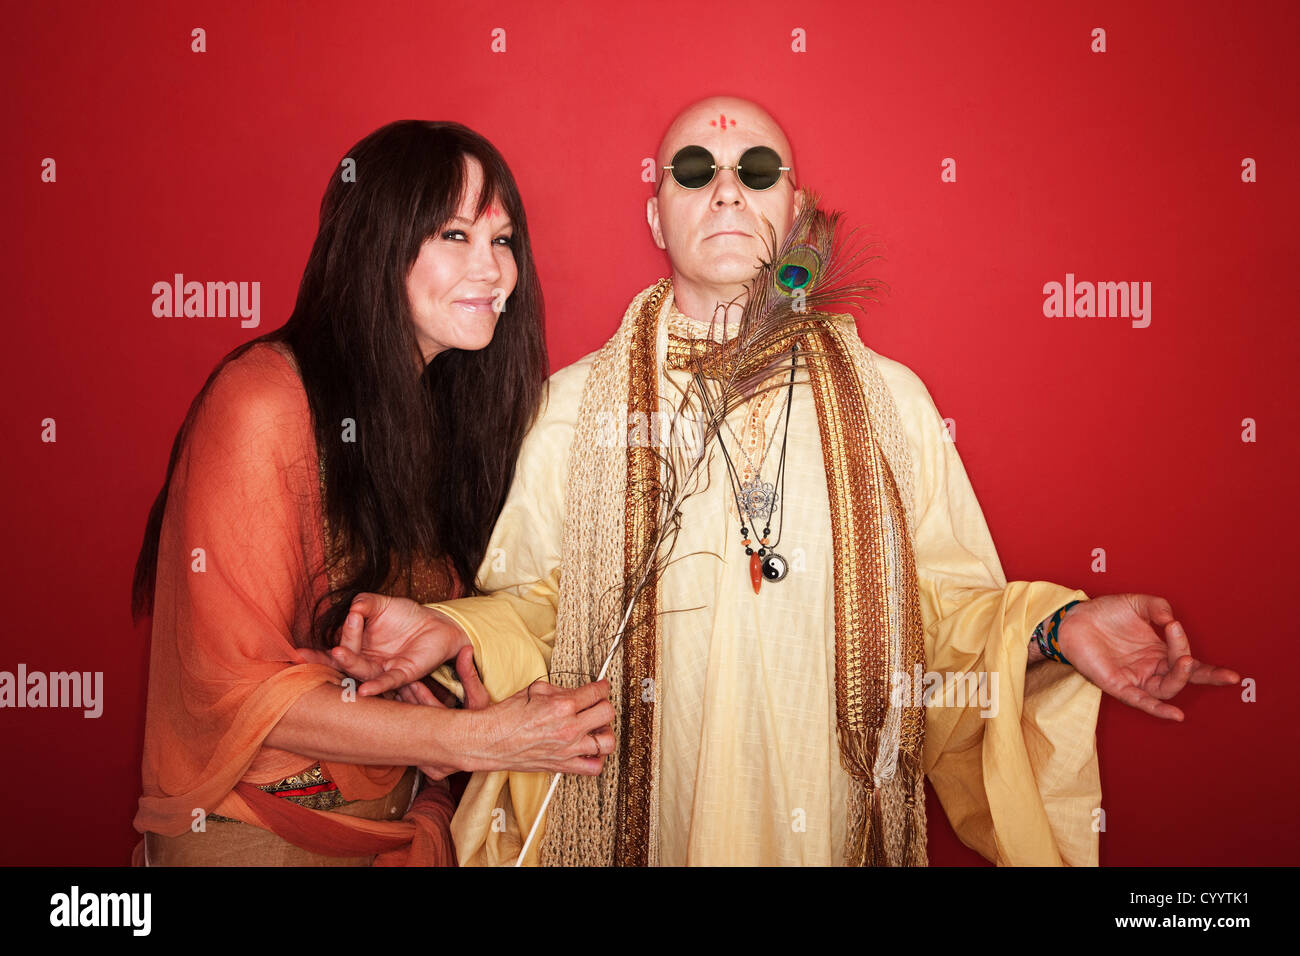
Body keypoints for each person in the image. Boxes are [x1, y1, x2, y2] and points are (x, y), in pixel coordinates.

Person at [330, 98, 1240, 866]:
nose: (726, 189)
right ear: (655, 217)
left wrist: (1056, 624)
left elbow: (948, 619)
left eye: (756, 170)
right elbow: (540, 617)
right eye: (693, 170)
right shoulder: (572, 408)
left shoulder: (891, 402)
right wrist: (447, 628)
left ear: (795, 210)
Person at [129, 120, 614, 866]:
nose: (494, 271)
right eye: (455, 235)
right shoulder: (263, 400)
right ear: (376, 242)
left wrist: (440, 679)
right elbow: (240, 691)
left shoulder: (446, 411)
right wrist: (478, 739)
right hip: (258, 838)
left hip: (397, 826)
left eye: (504, 240)